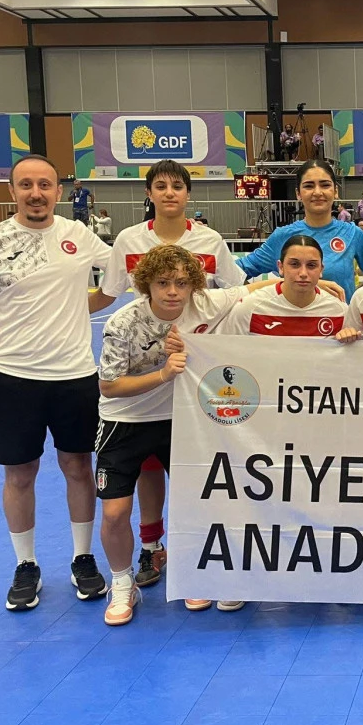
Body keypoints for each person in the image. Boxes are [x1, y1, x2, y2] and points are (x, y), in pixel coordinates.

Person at [0, 154, 112, 612]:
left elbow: (118, 280)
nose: (36, 193)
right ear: (12, 192)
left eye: (44, 184)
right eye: (26, 185)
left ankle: (83, 558)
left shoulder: (79, 236)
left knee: (79, 468)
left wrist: (74, 310)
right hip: (13, 377)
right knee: (19, 474)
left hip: (75, 376)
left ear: (58, 192)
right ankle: (26, 565)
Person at [96, 244, 269, 625]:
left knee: (200, 501)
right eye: (162, 283)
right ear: (146, 285)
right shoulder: (123, 323)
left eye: (180, 282)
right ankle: (123, 584)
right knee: (114, 512)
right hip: (125, 421)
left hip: (184, 419)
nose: (172, 291)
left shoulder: (207, 303)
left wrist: (323, 281)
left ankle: (196, 573)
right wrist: (162, 375)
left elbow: (258, 288)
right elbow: (108, 386)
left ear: (193, 284)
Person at [94, 159, 245, 590]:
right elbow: (107, 295)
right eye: (160, 186)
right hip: (142, 390)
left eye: (177, 186)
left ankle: (194, 561)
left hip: (194, 386)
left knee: (195, 482)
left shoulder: (211, 241)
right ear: (149, 193)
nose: (169, 193)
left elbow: (237, 294)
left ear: (188, 193)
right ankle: (150, 547)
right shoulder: (127, 242)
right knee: (146, 472)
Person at [239, 160, 363, 300]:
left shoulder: (352, 234)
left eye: (325, 185)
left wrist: (361, 302)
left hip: (339, 320)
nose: (317, 192)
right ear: (298, 194)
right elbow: (235, 271)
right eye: (309, 186)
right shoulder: (282, 236)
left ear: (335, 191)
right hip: (292, 320)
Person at [223, 235, 348, 337]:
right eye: (294, 264)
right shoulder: (249, 308)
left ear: (321, 269)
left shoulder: (339, 311)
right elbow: (227, 352)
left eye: (311, 265)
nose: (303, 273)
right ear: (280, 267)